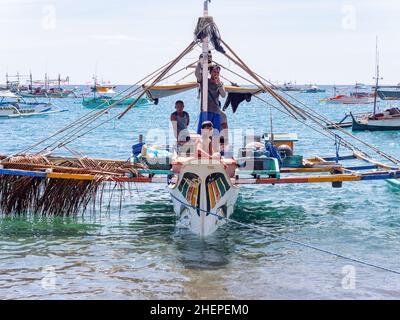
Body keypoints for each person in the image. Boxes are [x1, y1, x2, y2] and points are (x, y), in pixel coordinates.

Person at [195, 61, 228, 134]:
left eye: (217, 72)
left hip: (216, 111)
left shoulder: (220, 83)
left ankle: (215, 145)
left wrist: (218, 83)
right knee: (202, 132)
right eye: (214, 72)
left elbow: (223, 95)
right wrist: (199, 63)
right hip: (206, 111)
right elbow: (197, 74)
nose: (216, 73)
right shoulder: (204, 81)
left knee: (216, 133)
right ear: (210, 72)